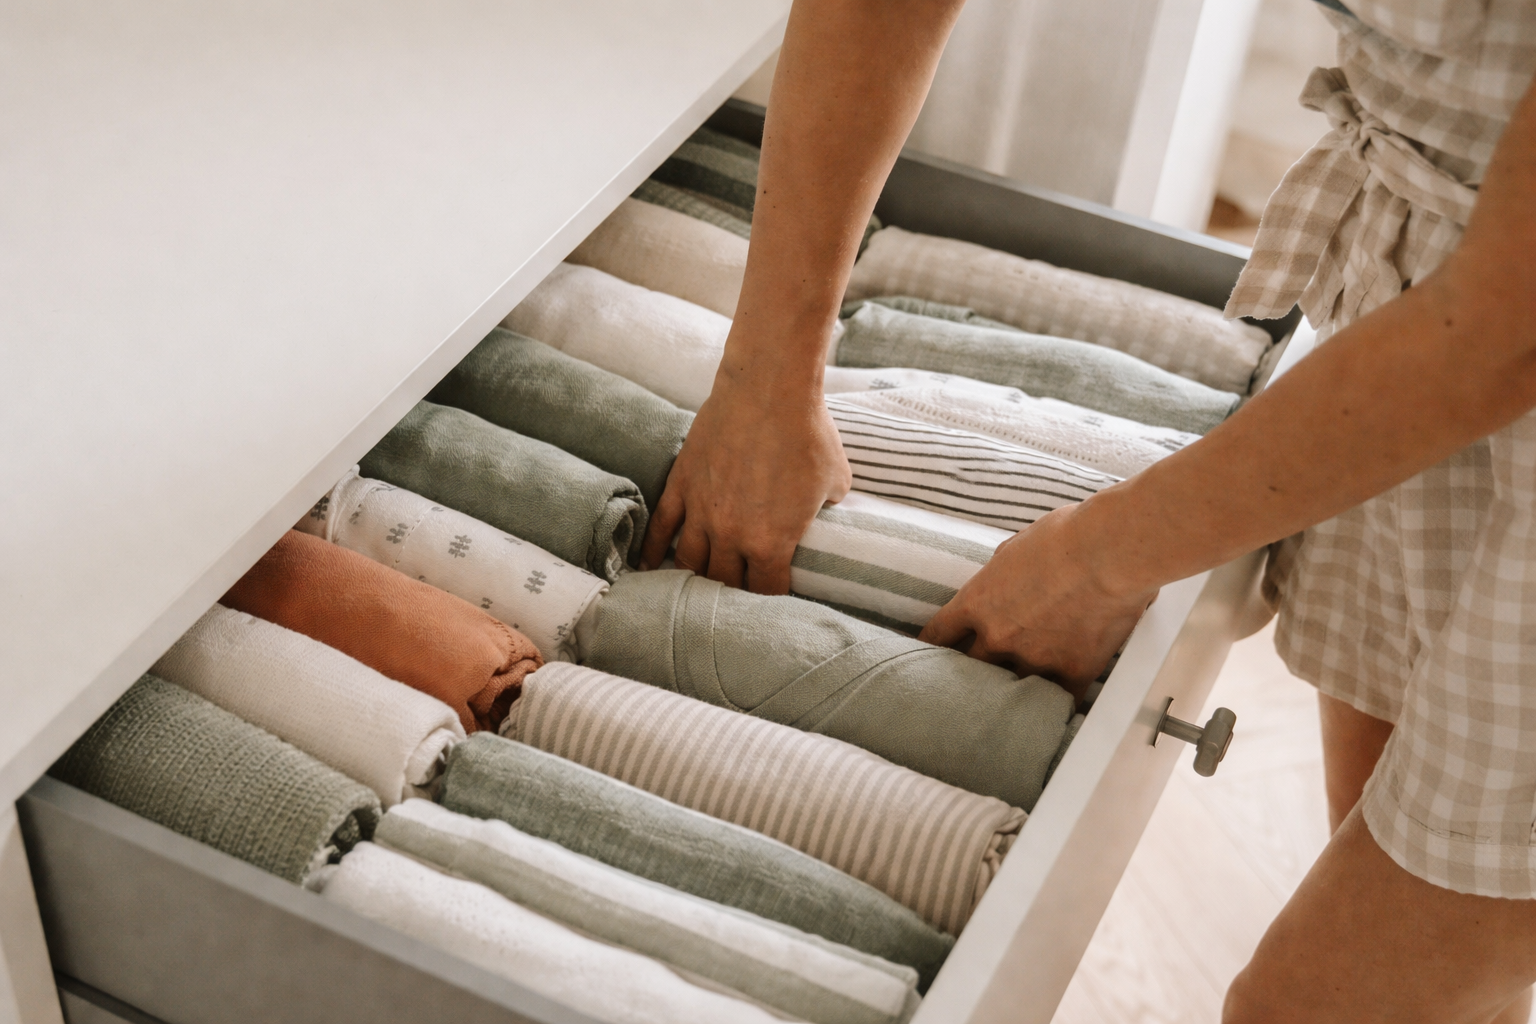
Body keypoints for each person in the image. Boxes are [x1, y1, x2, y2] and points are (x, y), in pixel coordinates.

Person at [637, 0, 1536, 1020]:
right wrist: (766, 370)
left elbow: (1505, 336)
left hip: (1489, 340)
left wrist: (1101, 558)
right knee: (1438, 955)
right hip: (1417, 312)